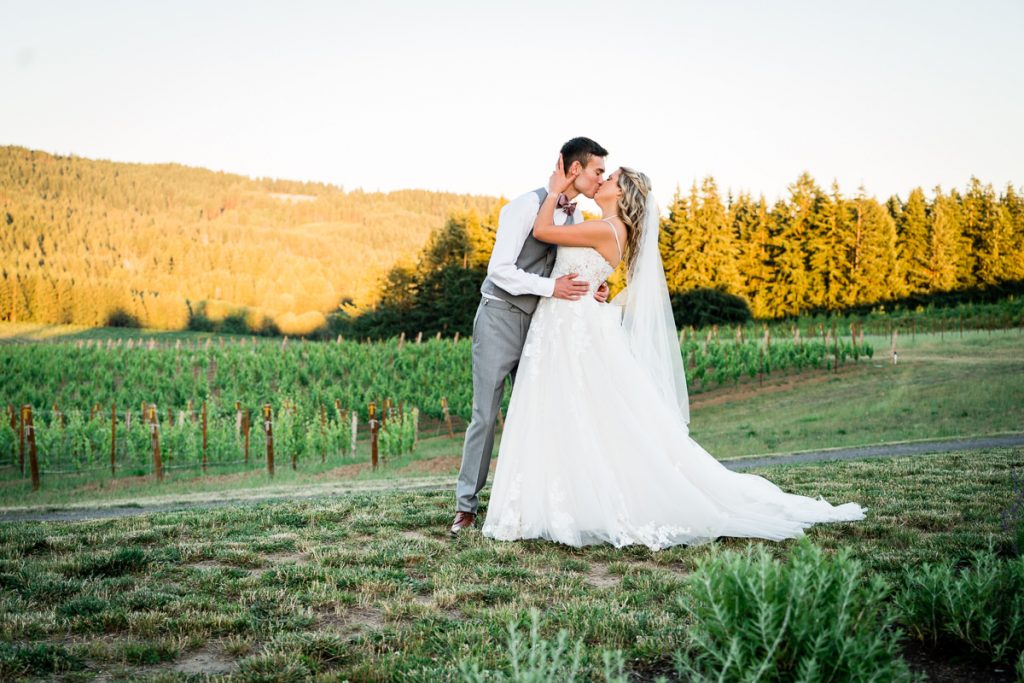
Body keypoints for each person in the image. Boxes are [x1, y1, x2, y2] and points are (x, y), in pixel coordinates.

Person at [479, 159, 866, 550]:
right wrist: (598, 288)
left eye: (610, 178)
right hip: (568, 323)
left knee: (578, 411)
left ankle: (568, 500)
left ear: (622, 193)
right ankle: (561, 498)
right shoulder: (611, 229)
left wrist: (554, 187)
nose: (603, 179)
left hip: (570, 326)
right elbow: (586, 271)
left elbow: (543, 231)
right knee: (579, 413)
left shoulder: (607, 227)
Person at [451, 137, 611, 535]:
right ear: (574, 169)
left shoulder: (574, 220)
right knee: (486, 415)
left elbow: (565, 271)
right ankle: (465, 507)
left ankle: (534, 504)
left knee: (542, 413)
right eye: (597, 171)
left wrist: (591, 289)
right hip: (500, 318)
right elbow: (500, 269)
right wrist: (552, 289)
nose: (600, 179)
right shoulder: (524, 206)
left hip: (543, 327)